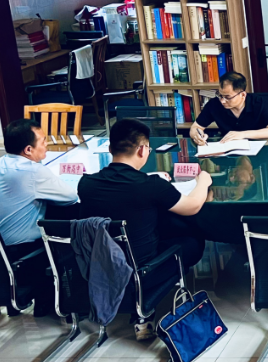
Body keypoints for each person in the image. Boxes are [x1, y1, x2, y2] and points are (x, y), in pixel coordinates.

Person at [78, 119, 212, 340]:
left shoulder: (86, 184)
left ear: (110, 149)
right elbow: (192, 206)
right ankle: (145, 303)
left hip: (101, 267)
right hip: (142, 272)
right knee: (192, 241)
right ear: (142, 150)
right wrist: (203, 182)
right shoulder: (151, 186)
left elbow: (120, 189)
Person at [0, 119, 78, 316]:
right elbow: (71, 197)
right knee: (63, 229)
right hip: (20, 256)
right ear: (28, 150)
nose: (47, 144)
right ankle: (54, 305)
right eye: (43, 140)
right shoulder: (33, 171)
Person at [190, 71, 268, 146]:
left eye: (227, 97)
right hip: (228, 152)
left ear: (243, 95)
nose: (222, 101)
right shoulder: (214, 104)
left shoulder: (259, 102)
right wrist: (198, 136)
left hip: (260, 150)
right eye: (220, 95)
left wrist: (243, 134)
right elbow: (196, 127)